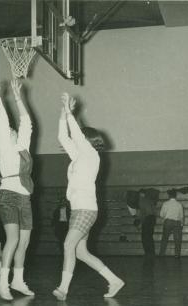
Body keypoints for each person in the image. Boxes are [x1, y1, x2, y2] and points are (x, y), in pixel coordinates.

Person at [52, 93, 124, 301]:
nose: (78, 140)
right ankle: (114, 280)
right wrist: (62, 113)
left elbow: (75, 134)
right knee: (81, 252)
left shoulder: (92, 155)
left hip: (86, 209)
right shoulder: (78, 157)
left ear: (88, 140)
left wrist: (69, 111)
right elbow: (63, 137)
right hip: (77, 209)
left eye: (82, 138)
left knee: (67, 245)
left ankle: (63, 289)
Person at [0, 78, 35, 301]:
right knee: (13, 239)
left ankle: (18, 280)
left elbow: (26, 122)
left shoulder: (22, 146)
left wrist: (19, 98)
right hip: (7, 195)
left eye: (12, 130)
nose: (12, 129)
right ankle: (2, 283)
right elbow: (1, 119)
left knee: (24, 242)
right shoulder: (5, 146)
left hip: (25, 196)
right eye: (9, 129)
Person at [159, 189, 184, 258]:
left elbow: (161, 214)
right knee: (177, 239)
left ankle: (161, 254)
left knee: (164, 239)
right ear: (175, 196)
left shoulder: (165, 203)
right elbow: (181, 216)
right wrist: (182, 224)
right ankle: (177, 254)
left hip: (168, 222)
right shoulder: (179, 204)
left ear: (169, 195)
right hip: (177, 222)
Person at [135, 190, 157, 257]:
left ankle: (147, 252)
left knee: (144, 237)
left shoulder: (141, 200)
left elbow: (143, 214)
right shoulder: (150, 199)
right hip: (153, 218)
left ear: (140, 194)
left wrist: (140, 223)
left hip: (147, 218)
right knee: (150, 236)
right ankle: (152, 252)